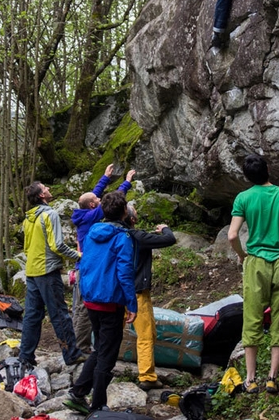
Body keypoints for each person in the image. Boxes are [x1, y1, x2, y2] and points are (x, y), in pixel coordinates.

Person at [228, 154, 279, 395]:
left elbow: (232, 235)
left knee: (252, 316)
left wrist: (242, 255)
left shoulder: (244, 198)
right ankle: (272, 377)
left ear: (248, 177)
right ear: (268, 169)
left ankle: (251, 379)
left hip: (256, 262)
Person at [64, 191, 137, 414]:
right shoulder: (122, 237)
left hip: (91, 300)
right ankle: (97, 406)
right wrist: (131, 304)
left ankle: (78, 393)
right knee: (108, 354)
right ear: (124, 212)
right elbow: (124, 273)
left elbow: (85, 264)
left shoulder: (92, 232)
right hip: (109, 303)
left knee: (99, 349)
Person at [19, 181, 85, 367]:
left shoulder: (28, 218)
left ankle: (25, 357)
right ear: (41, 195)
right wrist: (79, 256)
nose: (49, 189)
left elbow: (26, 248)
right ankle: (72, 354)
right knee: (59, 314)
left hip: (31, 271)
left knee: (32, 316)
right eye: (45, 188)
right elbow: (57, 245)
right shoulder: (50, 214)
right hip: (47, 272)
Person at [72, 164, 136, 352]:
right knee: (84, 311)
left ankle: (81, 344)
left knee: (81, 308)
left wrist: (105, 177)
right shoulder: (92, 216)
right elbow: (113, 202)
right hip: (87, 269)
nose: (99, 199)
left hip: (85, 267)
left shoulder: (84, 214)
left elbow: (93, 196)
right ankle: (81, 347)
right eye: (97, 200)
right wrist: (127, 182)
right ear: (93, 206)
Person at [123, 204, 176, 390]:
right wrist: (164, 228)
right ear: (131, 218)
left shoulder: (115, 235)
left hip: (115, 292)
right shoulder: (139, 237)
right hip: (136, 292)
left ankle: (99, 370)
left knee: (112, 335)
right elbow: (169, 239)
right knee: (145, 334)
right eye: (135, 212)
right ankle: (146, 376)